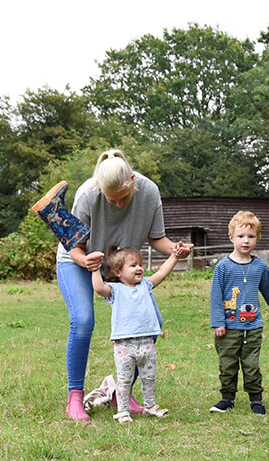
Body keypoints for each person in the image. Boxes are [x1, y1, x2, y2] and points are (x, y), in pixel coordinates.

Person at [37, 149, 192, 421]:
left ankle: (122, 393)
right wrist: (87, 261)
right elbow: (75, 248)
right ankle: (75, 398)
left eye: (123, 198)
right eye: (112, 200)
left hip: (118, 264)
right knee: (83, 320)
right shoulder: (87, 194)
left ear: (132, 180)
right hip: (78, 260)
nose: (118, 205)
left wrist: (176, 249)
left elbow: (158, 238)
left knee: (150, 319)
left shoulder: (149, 192)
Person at [209, 211, 269, 416]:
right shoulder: (223, 267)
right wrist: (218, 322)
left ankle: (256, 400)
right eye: (241, 236)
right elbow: (216, 296)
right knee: (228, 365)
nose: (246, 241)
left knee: (251, 365)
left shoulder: (259, 266)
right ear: (231, 237)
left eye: (251, 236)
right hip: (228, 327)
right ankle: (227, 398)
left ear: (257, 239)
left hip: (253, 326)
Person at [91, 244, 180, 422]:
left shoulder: (145, 285)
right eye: (133, 265)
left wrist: (175, 257)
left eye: (140, 264)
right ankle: (122, 410)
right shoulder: (114, 290)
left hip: (147, 342)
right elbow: (99, 289)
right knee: (124, 380)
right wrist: (94, 270)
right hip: (125, 345)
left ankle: (150, 406)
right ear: (117, 272)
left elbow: (161, 273)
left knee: (149, 378)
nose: (139, 268)